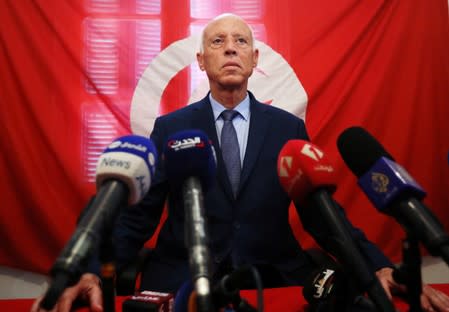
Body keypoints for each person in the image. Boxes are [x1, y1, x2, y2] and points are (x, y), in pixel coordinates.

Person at [32, 13, 449, 312]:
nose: (230, 47)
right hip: (180, 281)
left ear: (253, 61)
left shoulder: (288, 128)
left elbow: (323, 217)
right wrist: (86, 271)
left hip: (273, 276)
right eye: (217, 41)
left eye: (241, 41)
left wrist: (376, 266)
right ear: (201, 62)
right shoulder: (170, 126)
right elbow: (137, 217)